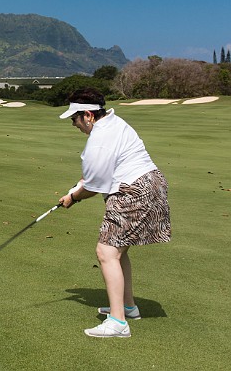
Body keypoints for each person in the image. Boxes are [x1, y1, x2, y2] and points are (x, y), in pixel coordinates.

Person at [57, 88, 171, 338]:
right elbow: (96, 175)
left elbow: (92, 187)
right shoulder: (114, 122)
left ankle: (118, 322)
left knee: (106, 251)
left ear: (87, 115)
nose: (73, 125)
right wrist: (80, 186)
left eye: (74, 119)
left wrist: (73, 198)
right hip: (151, 183)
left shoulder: (98, 139)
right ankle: (128, 307)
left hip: (133, 191)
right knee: (119, 250)